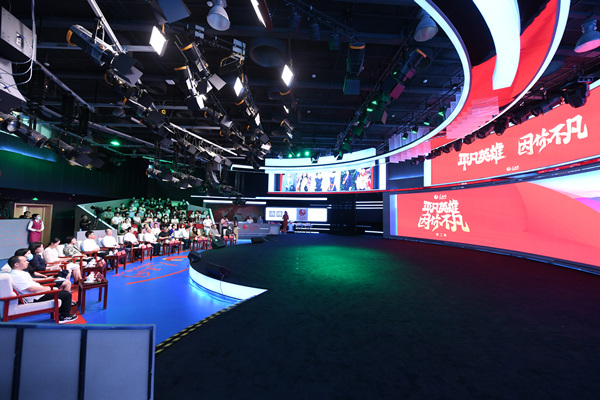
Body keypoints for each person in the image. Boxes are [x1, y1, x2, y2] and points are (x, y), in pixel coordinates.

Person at [8, 255, 77, 323]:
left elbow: (32, 283)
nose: (27, 262)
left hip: (38, 293)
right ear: (16, 264)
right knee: (66, 295)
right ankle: (64, 316)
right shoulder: (16, 275)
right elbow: (30, 289)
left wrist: (46, 285)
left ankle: (61, 314)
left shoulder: (21, 273)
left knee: (62, 292)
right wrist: (46, 289)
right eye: (24, 261)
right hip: (35, 297)